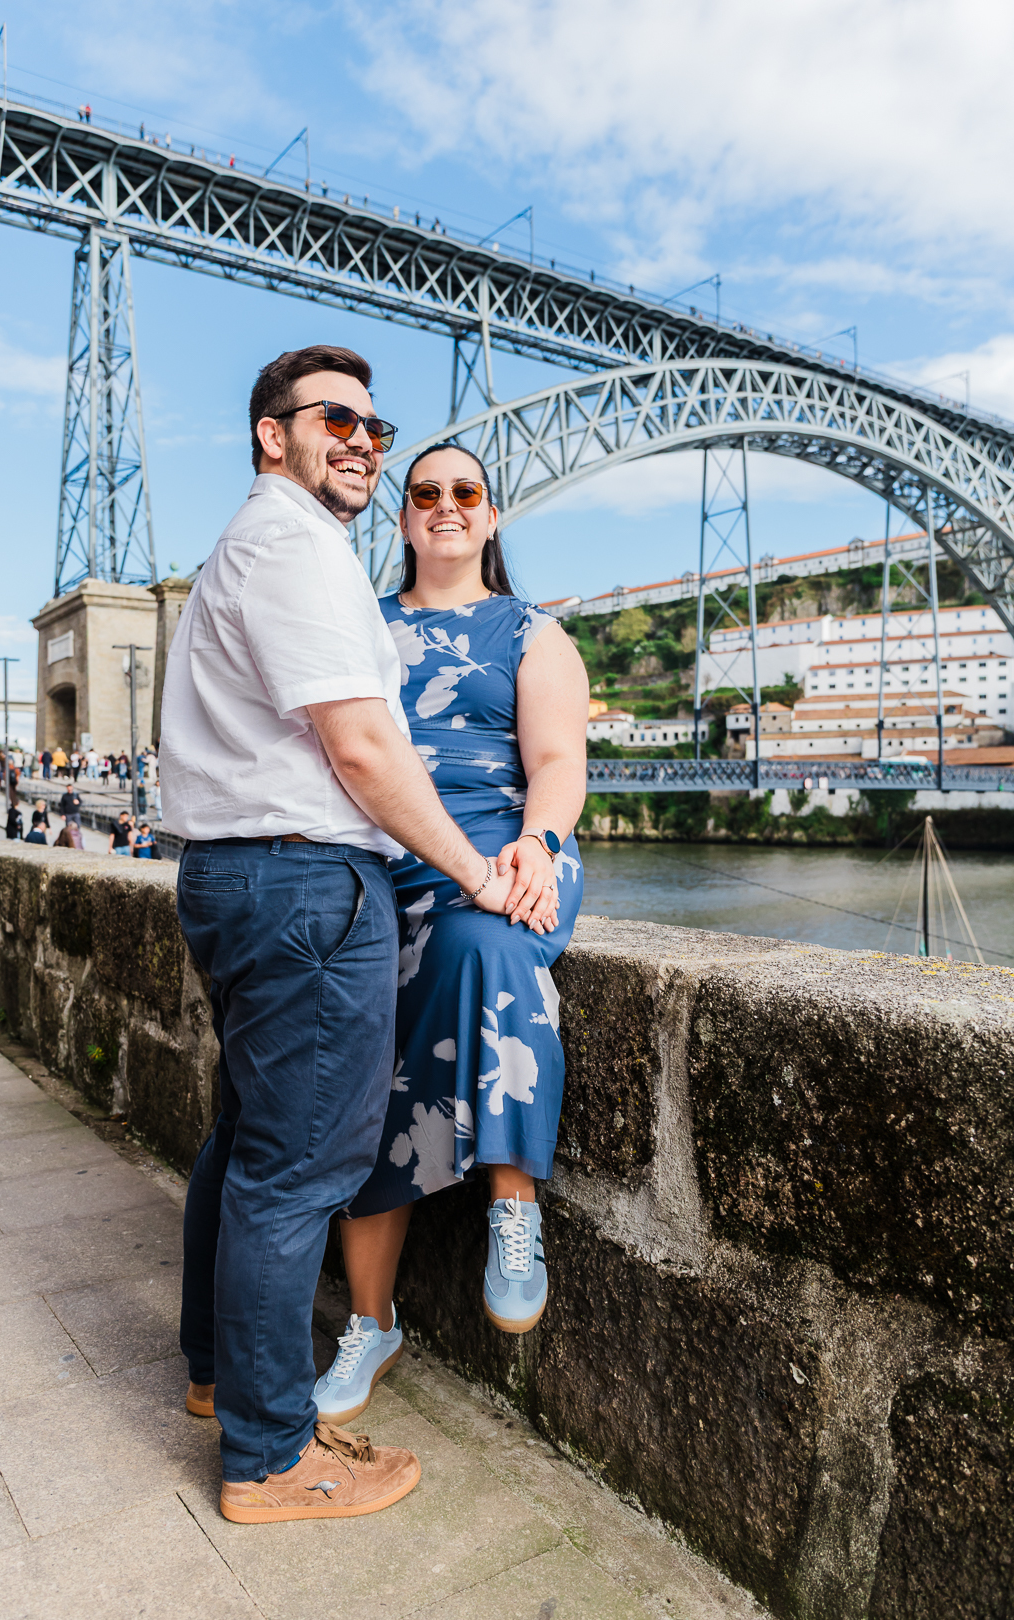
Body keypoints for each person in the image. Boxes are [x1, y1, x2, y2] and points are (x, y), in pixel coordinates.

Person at [160, 344, 533, 1527]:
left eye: (376, 424)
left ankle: (222, 1380)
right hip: (305, 884)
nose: (365, 439)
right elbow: (364, 752)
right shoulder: (295, 549)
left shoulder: (263, 546)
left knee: (244, 1142)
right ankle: (273, 1462)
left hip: (244, 878)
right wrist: (477, 868)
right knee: (296, 1170)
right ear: (274, 433)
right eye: (337, 419)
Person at [311, 443, 588, 1426]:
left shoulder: (530, 632)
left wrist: (538, 846)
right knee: (362, 1058)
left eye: (464, 492)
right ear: (403, 517)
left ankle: (515, 1206)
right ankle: (372, 1321)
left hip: (509, 853)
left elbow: (556, 758)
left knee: (490, 945)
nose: (444, 506)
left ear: (491, 513)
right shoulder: (363, 627)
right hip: (388, 865)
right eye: (424, 493)